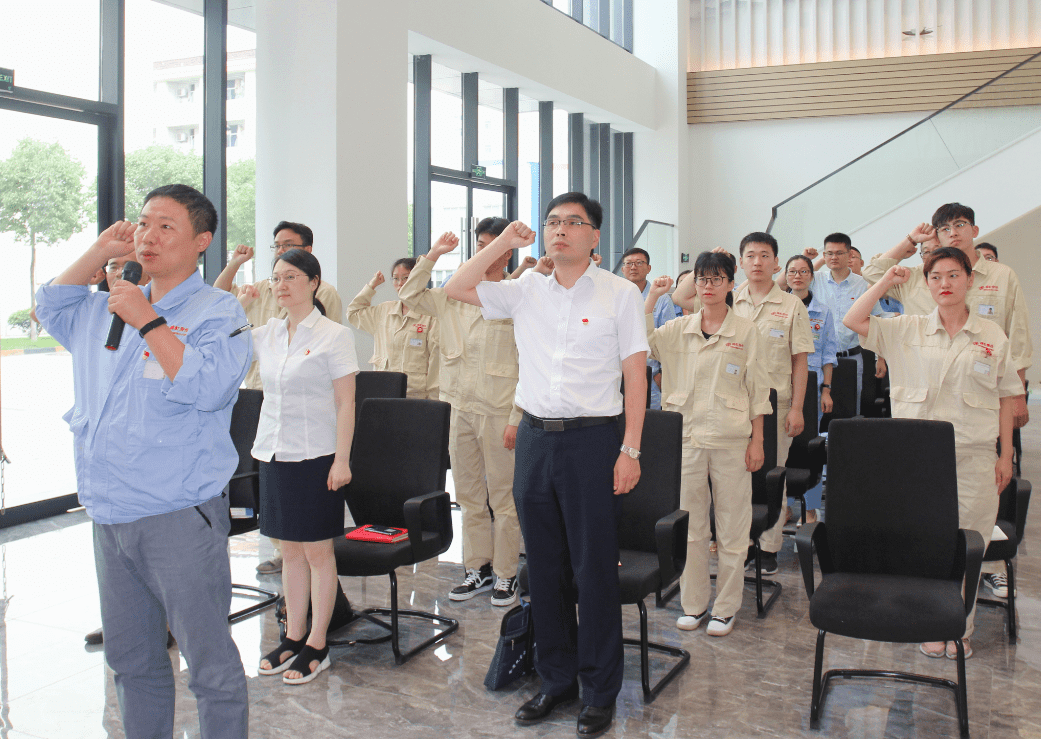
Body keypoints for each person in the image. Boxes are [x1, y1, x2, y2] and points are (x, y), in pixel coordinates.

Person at [35, 184, 251, 739]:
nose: (149, 236)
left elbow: (209, 387)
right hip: (110, 513)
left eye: (166, 226)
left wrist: (148, 321)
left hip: (178, 514)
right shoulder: (105, 305)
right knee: (132, 661)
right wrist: (99, 252)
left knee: (209, 665)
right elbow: (49, 306)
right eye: (144, 223)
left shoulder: (218, 311)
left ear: (202, 241)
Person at [445, 193, 647, 738]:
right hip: (535, 440)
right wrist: (503, 245)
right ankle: (556, 679)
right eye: (553, 221)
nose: (560, 230)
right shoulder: (527, 289)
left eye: (573, 223)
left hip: (593, 441)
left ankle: (599, 690)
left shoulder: (620, 293)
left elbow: (635, 375)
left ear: (595, 236)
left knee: (594, 571)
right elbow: (457, 287)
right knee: (544, 570)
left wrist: (630, 449)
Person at [844, 247, 1019, 659]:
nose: (945, 284)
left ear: (969, 280)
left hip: (974, 457)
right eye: (936, 276)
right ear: (926, 283)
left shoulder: (992, 336)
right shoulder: (907, 328)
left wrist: (1006, 454)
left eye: (954, 275)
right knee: (926, 545)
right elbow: (854, 320)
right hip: (917, 462)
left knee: (970, 543)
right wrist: (886, 281)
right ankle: (929, 621)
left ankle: (960, 627)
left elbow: (1007, 396)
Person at [244, 248, 358, 684]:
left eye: (291, 276)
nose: (281, 285)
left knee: (317, 553)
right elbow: (220, 335)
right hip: (274, 453)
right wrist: (239, 298)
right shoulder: (269, 333)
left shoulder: (333, 335)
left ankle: (318, 642)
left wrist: (342, 460)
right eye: (276, 278)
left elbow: (346, 403)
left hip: (317, 457)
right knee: (289, 551)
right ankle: (293, 636)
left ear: (314, 283)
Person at [399, 221, 523, 608]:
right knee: (469, 496)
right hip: (459, 409)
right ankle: (477, 567)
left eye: (492, 246)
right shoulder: (451, 297)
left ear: (506, 253)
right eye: (479, 245)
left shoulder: (516, 297)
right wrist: (433, 254)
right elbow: (409, 293)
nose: (483, 252)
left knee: (504, 498)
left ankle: (506, 573)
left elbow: (530, 364)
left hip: (499, 412)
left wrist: (517, 417)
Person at [645, 254, 769, 637]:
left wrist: (758, 442)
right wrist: (653, 297)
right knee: (692, 529)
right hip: (686, 441)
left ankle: (726, 608)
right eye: (702, 279)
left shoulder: (747, 331)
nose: (708, 286)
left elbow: (758, 392)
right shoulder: (677, 329)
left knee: (732, 527)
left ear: (731, 284)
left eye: (717, 279)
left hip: (731, 441)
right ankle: (694, 605)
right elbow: (639, 339)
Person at [677, 232, 813, 575]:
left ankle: (768, 546)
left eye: (764, 255)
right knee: (734, 479)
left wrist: (798, 407)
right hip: (730, 404)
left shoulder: (791, 306)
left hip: (775, 401)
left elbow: (800, 360)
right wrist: (711, 261)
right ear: (740, 262)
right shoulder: (727, 296)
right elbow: (680, 296)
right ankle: (742, 543)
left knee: (772, 474)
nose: (757, 262)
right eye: (750, 255)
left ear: (776, 263)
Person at [215, 221, 344, 575]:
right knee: (279, 497)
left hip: (305, 405)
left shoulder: (325, 294)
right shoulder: (262, 288)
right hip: (263, 392)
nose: (280, 251)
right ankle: (285, 552)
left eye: (288, 244)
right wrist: (235, 265)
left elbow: (323, 349)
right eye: (276, 246)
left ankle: (305, 562)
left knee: (313, 537)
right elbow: (219, 306)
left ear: (308, 251)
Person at [862, 205, 1030, 430]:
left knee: (983, 446)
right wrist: (910, 240)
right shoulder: (919, 276)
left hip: (980, 386)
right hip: (924, 388)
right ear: (937, 236)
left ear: (974, 230)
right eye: (945, 229)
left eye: (960, 225)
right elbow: (871, 273)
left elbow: (1018, 335)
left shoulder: (1002, 275)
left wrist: (1018, 394)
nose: (953, 233)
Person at [783, 254, 837, 523]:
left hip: (811, 387)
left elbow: (828, 353)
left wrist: (826, 389)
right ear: (785, 276)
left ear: (812, 276)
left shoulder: (823, 311)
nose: (798, 276)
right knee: (782, 450)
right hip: (780, 384)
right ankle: (783, 506)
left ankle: (811, 507)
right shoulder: (777, 308)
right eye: (792, 271)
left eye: (803, 271)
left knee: (809, 449)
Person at [810, 233, 883, 414]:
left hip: (851, 358)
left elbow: (877, 321)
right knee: (815, 411)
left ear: (850, 255)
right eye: (829, 253)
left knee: (850, 410)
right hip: (818, 360)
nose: (833, 257)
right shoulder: (815, 280)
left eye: (839, 253)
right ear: (824, 255)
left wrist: (880, 357)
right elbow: (788, 279)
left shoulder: (864, 284)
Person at [347, 257, 440, 399]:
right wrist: (371, 286)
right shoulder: (384, 311)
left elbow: (435, 363)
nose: (400, 283)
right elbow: (353, 313)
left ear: (418, 279)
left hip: (415, 396)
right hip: (383, 393)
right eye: (396, 279)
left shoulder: (431, 315)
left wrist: (433, 400)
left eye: (406, 278)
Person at [619, 247, 674, 410]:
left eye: (639, 263)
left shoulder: (662, 299)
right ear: (622, 269)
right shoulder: (615, 296)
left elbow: (669, 340)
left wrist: (661, 375)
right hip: (618, 373)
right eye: (628, 263)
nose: (633, 267)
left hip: (650, 375)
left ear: (649, 268)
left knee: (648, 421)